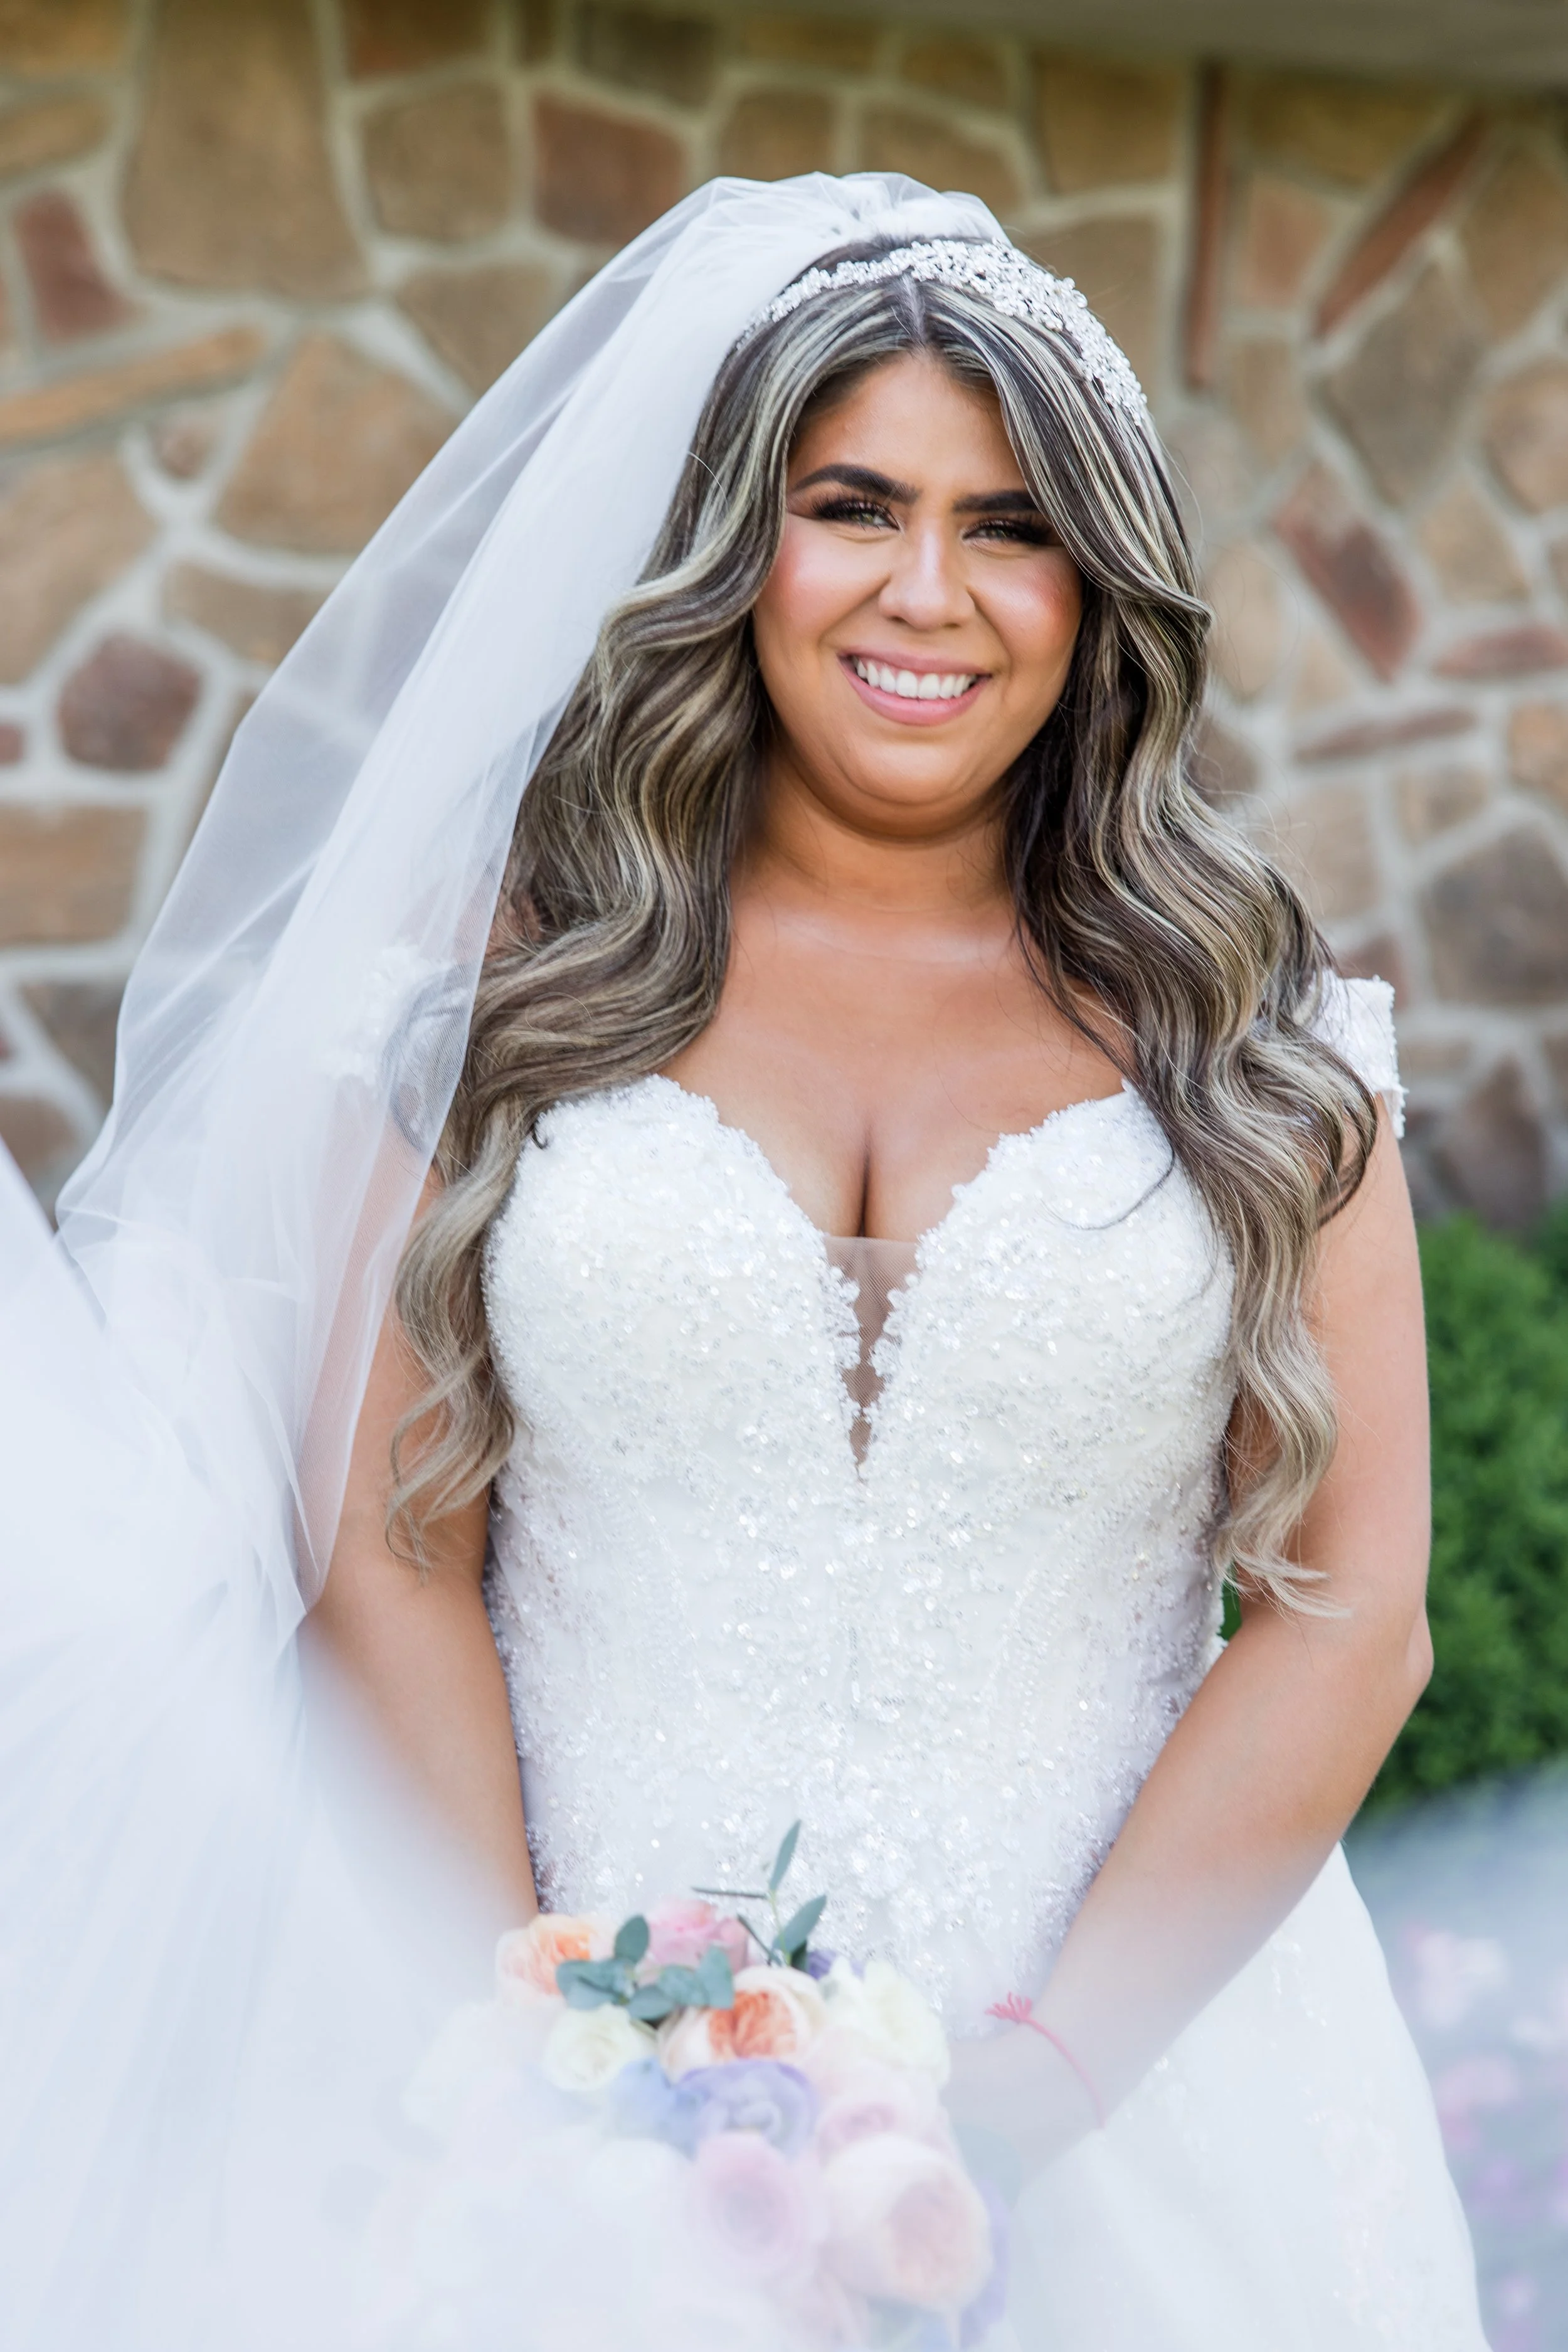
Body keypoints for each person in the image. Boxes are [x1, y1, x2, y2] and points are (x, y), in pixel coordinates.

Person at [0, 176, 1483, 2348]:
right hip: (551, 2069)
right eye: (851, 502)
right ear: (737, 545)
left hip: (1146, 2083)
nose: (925, 589)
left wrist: (1034, 2094)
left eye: (1007, 523)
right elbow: (382, 1558)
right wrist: (532, 2055)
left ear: (1095, 585)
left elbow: (1352, 1617)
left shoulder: (1253, 1047)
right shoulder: (485, 1013)